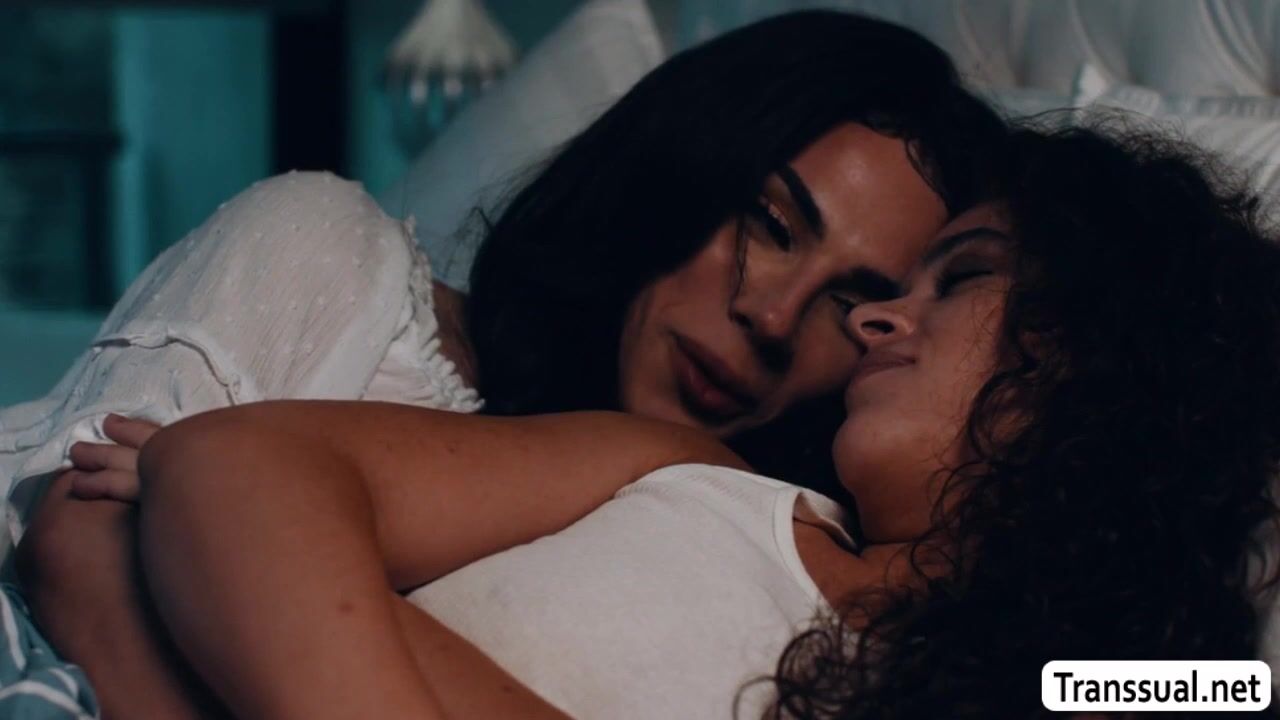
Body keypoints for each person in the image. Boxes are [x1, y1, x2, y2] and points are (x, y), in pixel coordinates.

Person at [52, 122, 1280, 718]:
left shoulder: (1111, 685)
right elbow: (237, 462)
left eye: (957, 279)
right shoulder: (689, 475)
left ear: (1103, 364)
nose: (870, 321)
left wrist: (247, 582)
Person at [7, 10, 1008, 717]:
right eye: (770, 222)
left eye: (849, 303)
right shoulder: (336, 264)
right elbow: (80, 547)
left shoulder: (748, 542)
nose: (771, 315)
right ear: (675, 169)